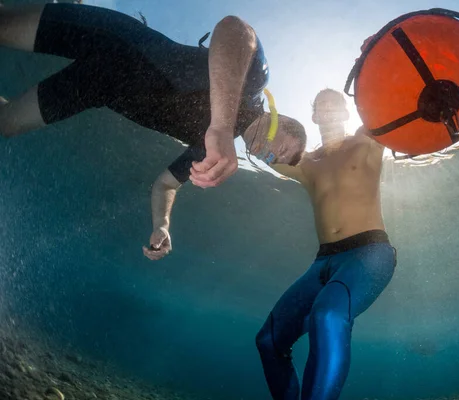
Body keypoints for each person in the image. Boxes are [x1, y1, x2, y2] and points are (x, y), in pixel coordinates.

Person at [0, 2, 306, 258]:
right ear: (284, 121)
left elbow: (166, 185)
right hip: (114, 39)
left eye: (270, 160)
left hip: (92, 88)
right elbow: (234, 28)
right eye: (280, 149)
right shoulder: (253, 84)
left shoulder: (209, 149)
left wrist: (162, 225)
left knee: (7, 123)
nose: (266, 155)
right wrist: (222, 127)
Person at [250, 88, 397, 399]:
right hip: (323, 263)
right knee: (268, 341)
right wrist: (245, 118)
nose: (329, 111)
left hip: (371, 253)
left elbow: (391, 102)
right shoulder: (306, 163)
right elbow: (260, 146)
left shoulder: (366, 139)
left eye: (336, 106)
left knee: (327, 315)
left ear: (347, 113)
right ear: (314, 115)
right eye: (322, 107)